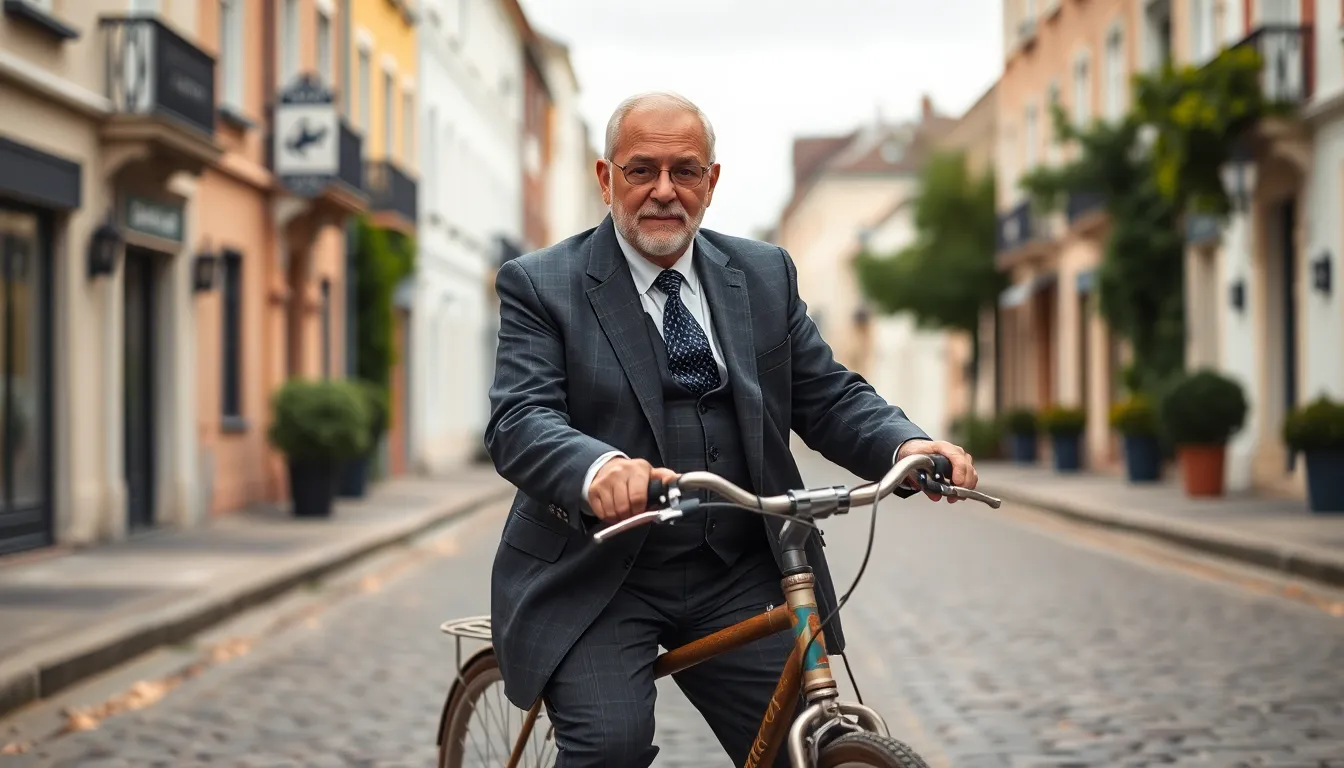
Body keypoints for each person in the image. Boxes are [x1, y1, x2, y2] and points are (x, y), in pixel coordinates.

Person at [485, 91, 979, 767]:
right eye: (641, 170)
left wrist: (906, 443)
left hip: (736, 568)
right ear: (606, 179)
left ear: (711, 183)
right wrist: (597, 470)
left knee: (800, 745)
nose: (664, 191)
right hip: (601, 572)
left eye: (685, 171)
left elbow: (826, 395)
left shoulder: (763, 274)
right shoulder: (544, 285)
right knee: (610, 749)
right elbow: (521, 417)